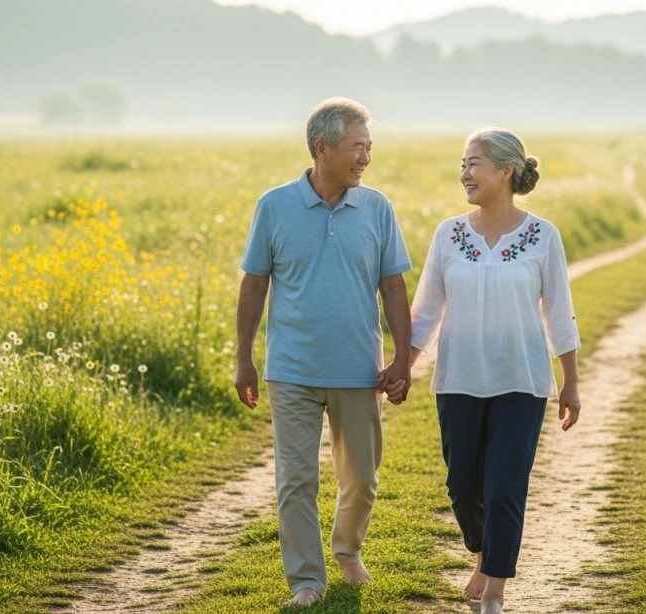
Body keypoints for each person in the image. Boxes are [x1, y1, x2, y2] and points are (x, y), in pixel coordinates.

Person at [235, 97, 413, 608]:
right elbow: (253, 286)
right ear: (323, 148)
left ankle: (347, 549)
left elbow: (393, 286)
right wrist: (244, 358)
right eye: (357, 148)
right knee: (296, 479)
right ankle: (306, 580)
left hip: (359, 370)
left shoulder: (376, 207)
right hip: (290, 369)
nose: (365, 158)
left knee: (362, 478)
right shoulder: (274, 206)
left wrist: (402, 358)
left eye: (369, 148)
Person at [398, 127, 581, 614]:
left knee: (504, 487)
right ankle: (483, 552)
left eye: (473, 163)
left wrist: (571, 383)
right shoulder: (448, 234)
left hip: (520, 382)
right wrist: (402, 367)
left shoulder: (543, 236)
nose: (464, 173)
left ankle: (495, 590)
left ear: (505, 171)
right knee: (463, 487)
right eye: (462, 163)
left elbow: (559, 312)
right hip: (458, 381)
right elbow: (427, 309)